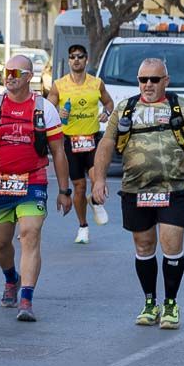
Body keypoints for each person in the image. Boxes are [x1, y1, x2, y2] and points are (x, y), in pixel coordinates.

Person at [90, 58, 184, 330]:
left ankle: (170, 303)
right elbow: (106, 145)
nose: (147, 85)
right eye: (142, 79)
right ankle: (149, 302)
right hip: (136, 189)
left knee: (171, 245)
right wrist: (98, 180)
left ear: (165, 82)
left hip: (174, 189)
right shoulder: (125, 109)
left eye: (154, 80)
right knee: (144, 247)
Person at [0, 54, 71, 323]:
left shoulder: (44, 109)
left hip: (33, 181)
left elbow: (58, 152)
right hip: (1, 182)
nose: (9, 77)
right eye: (6, 72)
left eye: (15, 73)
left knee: (29, 234)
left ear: (28, 77)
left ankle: (26, 297)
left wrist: (64, 190)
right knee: (1, 243)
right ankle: (11, 278)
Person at [47, 44, 114, 244]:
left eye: (80, 56)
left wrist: (106, 112)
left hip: (92, 139)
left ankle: (95, 200)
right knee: (79, 186)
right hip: (70, 141)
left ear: (86, 60)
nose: (76, 60)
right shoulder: (59, 85)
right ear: (68, 61)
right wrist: (58, 113)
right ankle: (83, 226)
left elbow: (109, 103)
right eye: (73, 57)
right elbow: (48, 107)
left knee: (97, 178)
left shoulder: (97, 83)